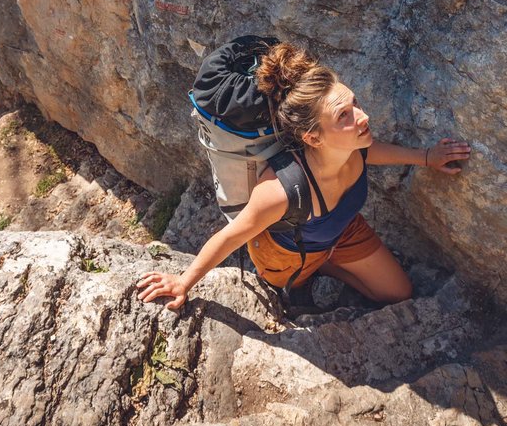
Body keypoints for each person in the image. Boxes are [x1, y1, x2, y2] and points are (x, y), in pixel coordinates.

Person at [137, 42, 471, 311]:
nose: (363, 116)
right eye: (345, 115)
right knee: (299, 282)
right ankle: (311, 274)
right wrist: (183, 282)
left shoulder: (353, 147)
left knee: (399, 293)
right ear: (312, 138)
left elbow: (373, 152)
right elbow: (231, 237)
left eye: (355, 103)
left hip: (340, 229)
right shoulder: (281, 190)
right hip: (289, 253)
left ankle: (328, 263)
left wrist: (426, 158)